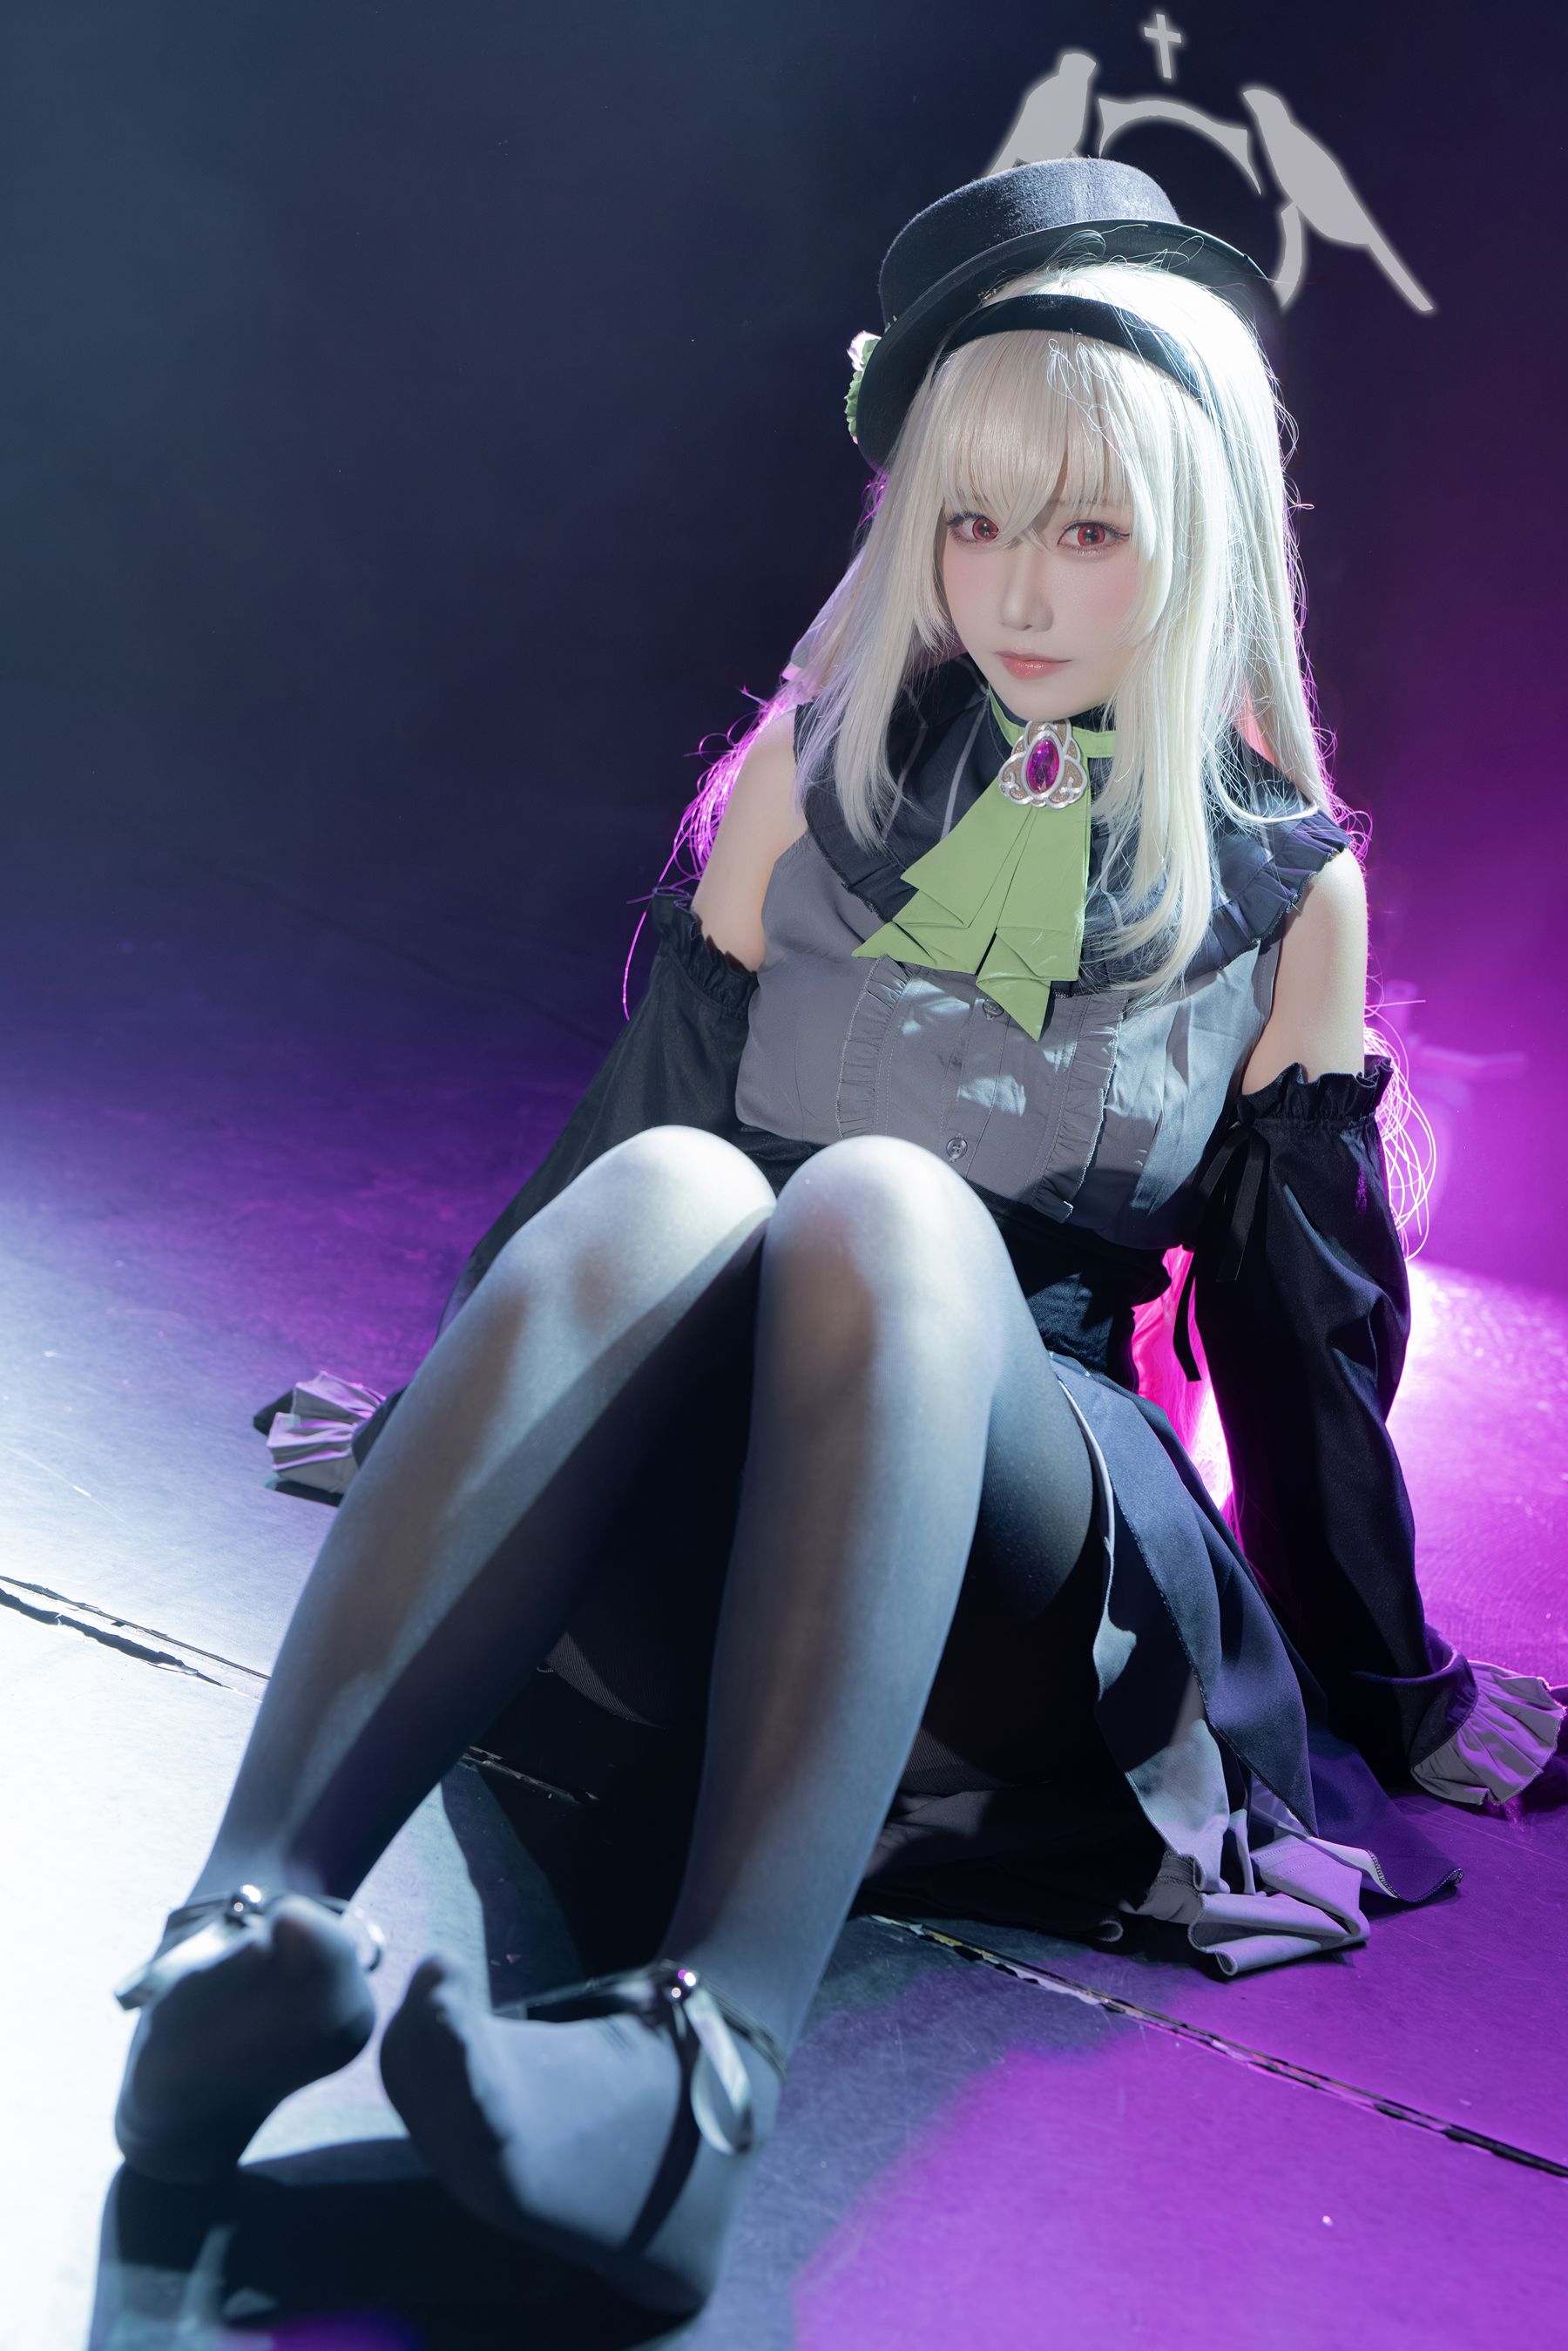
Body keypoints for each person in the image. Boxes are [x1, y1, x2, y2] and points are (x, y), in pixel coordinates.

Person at [109, 159, 1563, 2317]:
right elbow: (632, 1158)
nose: (1020, 591)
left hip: (1019, 1555)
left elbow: (1301, 1346)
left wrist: (1393, 1679)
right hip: (739, 1517)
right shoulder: (813, 784)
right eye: (974, 523)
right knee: (694, 1192)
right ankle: (243, 1932)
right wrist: (450, 1427)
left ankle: (700, 2067)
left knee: (879, 1200)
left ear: (1201, 540)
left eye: (1090, 531)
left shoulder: (1287, 896)